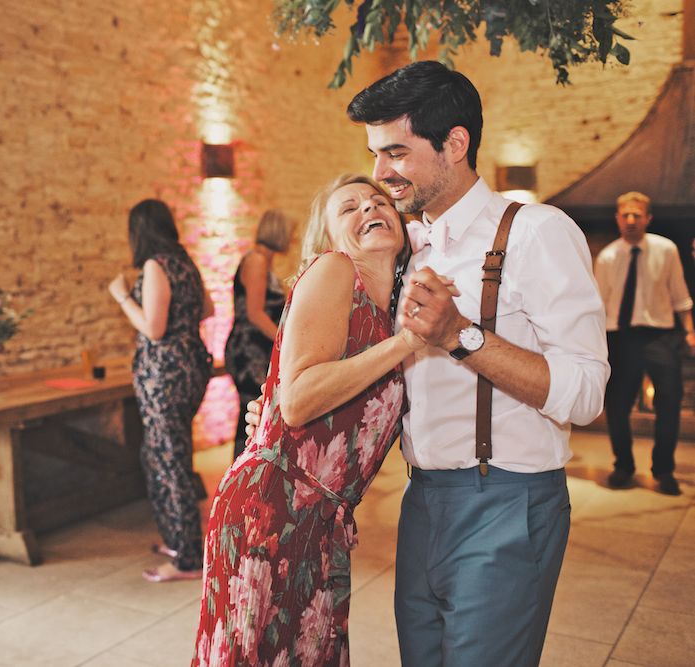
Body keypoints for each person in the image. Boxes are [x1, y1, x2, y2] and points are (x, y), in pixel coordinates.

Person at [345, 61, 609, 667]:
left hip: (508, 502)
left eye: (397, 153)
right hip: (421, 500)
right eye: (375, 154)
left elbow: (587, 392)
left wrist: (461, 335)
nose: (381, 173)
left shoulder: (536, 232)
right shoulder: (407, 245)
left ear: (455, 143)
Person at [191, 174, 425, 666]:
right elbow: (297, 401)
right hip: (271, 508)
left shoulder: (391, 314)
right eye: (350, 208)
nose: (369, 208)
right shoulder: (336, 271)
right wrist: (406, 344)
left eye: (379, 201)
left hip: (321, 523)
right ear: (328, 239)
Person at [109, 198, 214, 583]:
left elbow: (153, 328)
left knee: (168, 461)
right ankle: (177, 539)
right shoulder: (184, 261)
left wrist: (122, 296)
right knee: (163, 455)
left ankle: (188, 558)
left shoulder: (156, 265)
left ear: (139, 231)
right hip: (190, 365)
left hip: (165, 373)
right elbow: (207, 310)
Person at [594, 191, 695, 496]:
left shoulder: (666, 250)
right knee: (618, 405)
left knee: (669, 403)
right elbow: (599, 305)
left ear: (648, 218)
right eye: (625, 215)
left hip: (660, 337)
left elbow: (680, 295)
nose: (631, 220)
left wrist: (690, 331)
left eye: (637, 215)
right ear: (617, 219)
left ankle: (663, 470)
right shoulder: (607, 256)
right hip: (620, 337)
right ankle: (623, 466)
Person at [225, 209, 292, 461]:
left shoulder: (266, 263)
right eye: (290, 233)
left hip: (258, 350)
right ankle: (241, 479)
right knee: (251, 417)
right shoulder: (255, 261)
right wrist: (284, 343)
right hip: (248, 351)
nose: (291, 239)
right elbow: (254, 313)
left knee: (256, 416)